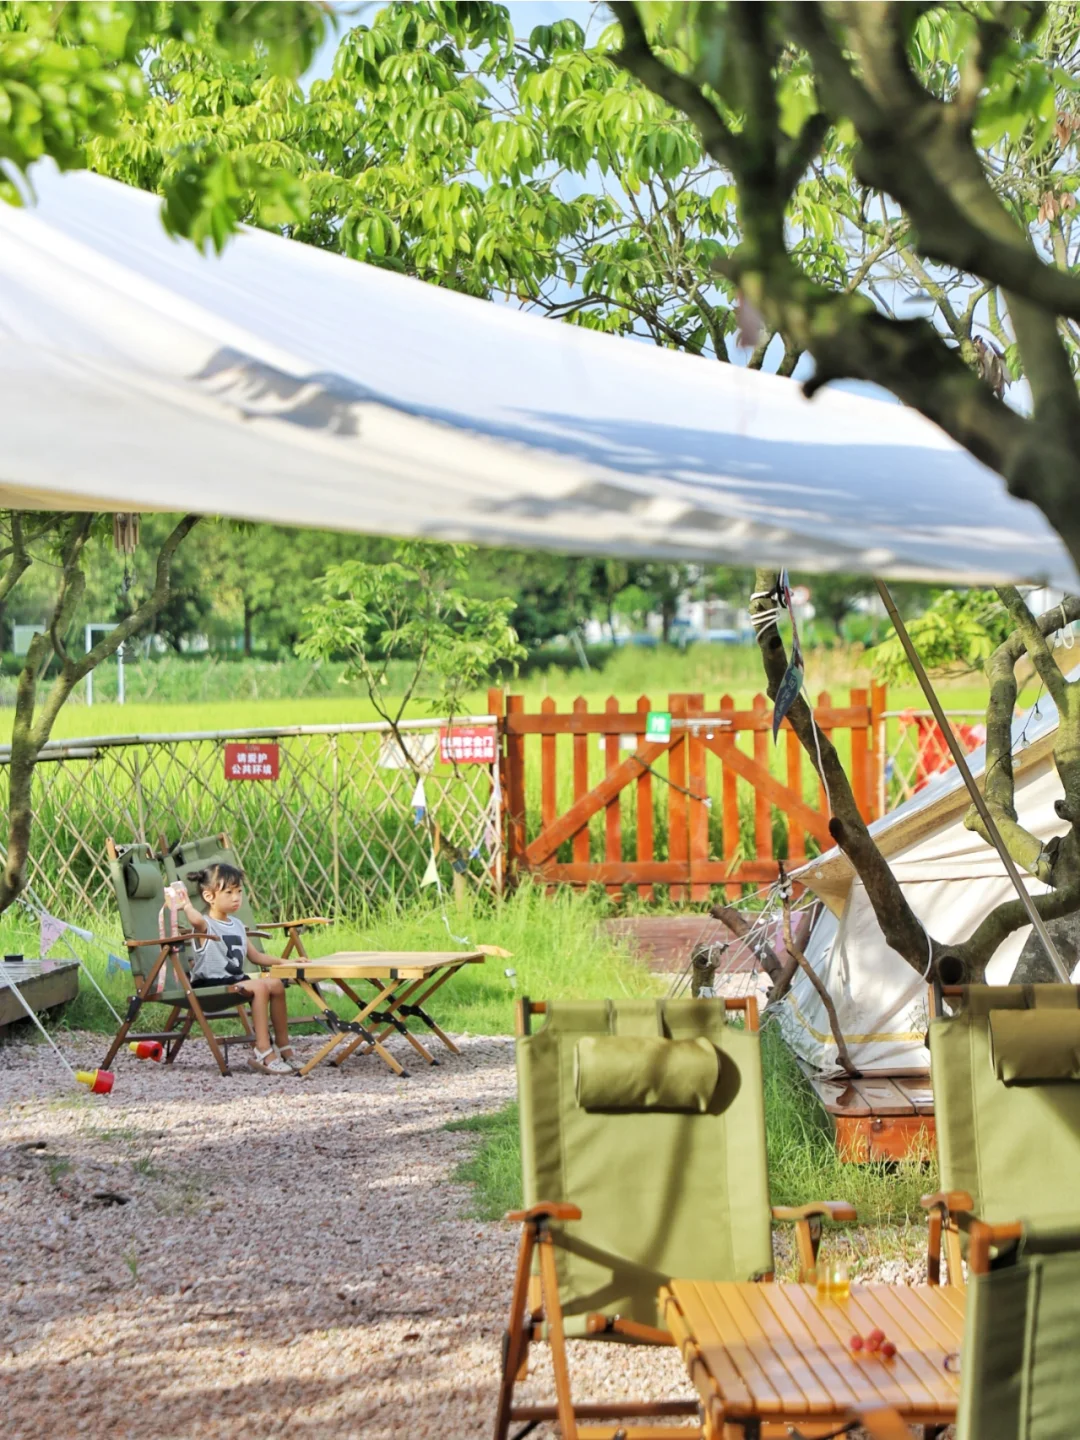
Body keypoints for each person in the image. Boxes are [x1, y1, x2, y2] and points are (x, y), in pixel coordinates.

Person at [175, 861, 301, 1075]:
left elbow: (256, 956)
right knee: (260, 987)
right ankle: (262, 1049)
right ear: (209, 897)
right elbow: (195, 920)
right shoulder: (205, 925)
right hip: (210, 981)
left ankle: (283, 1046)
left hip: (235, 979)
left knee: (277, 985)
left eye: (239, 892)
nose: (236, 898)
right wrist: (186, 905)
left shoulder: (237, 925)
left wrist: (288, 962)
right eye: (229, 892)